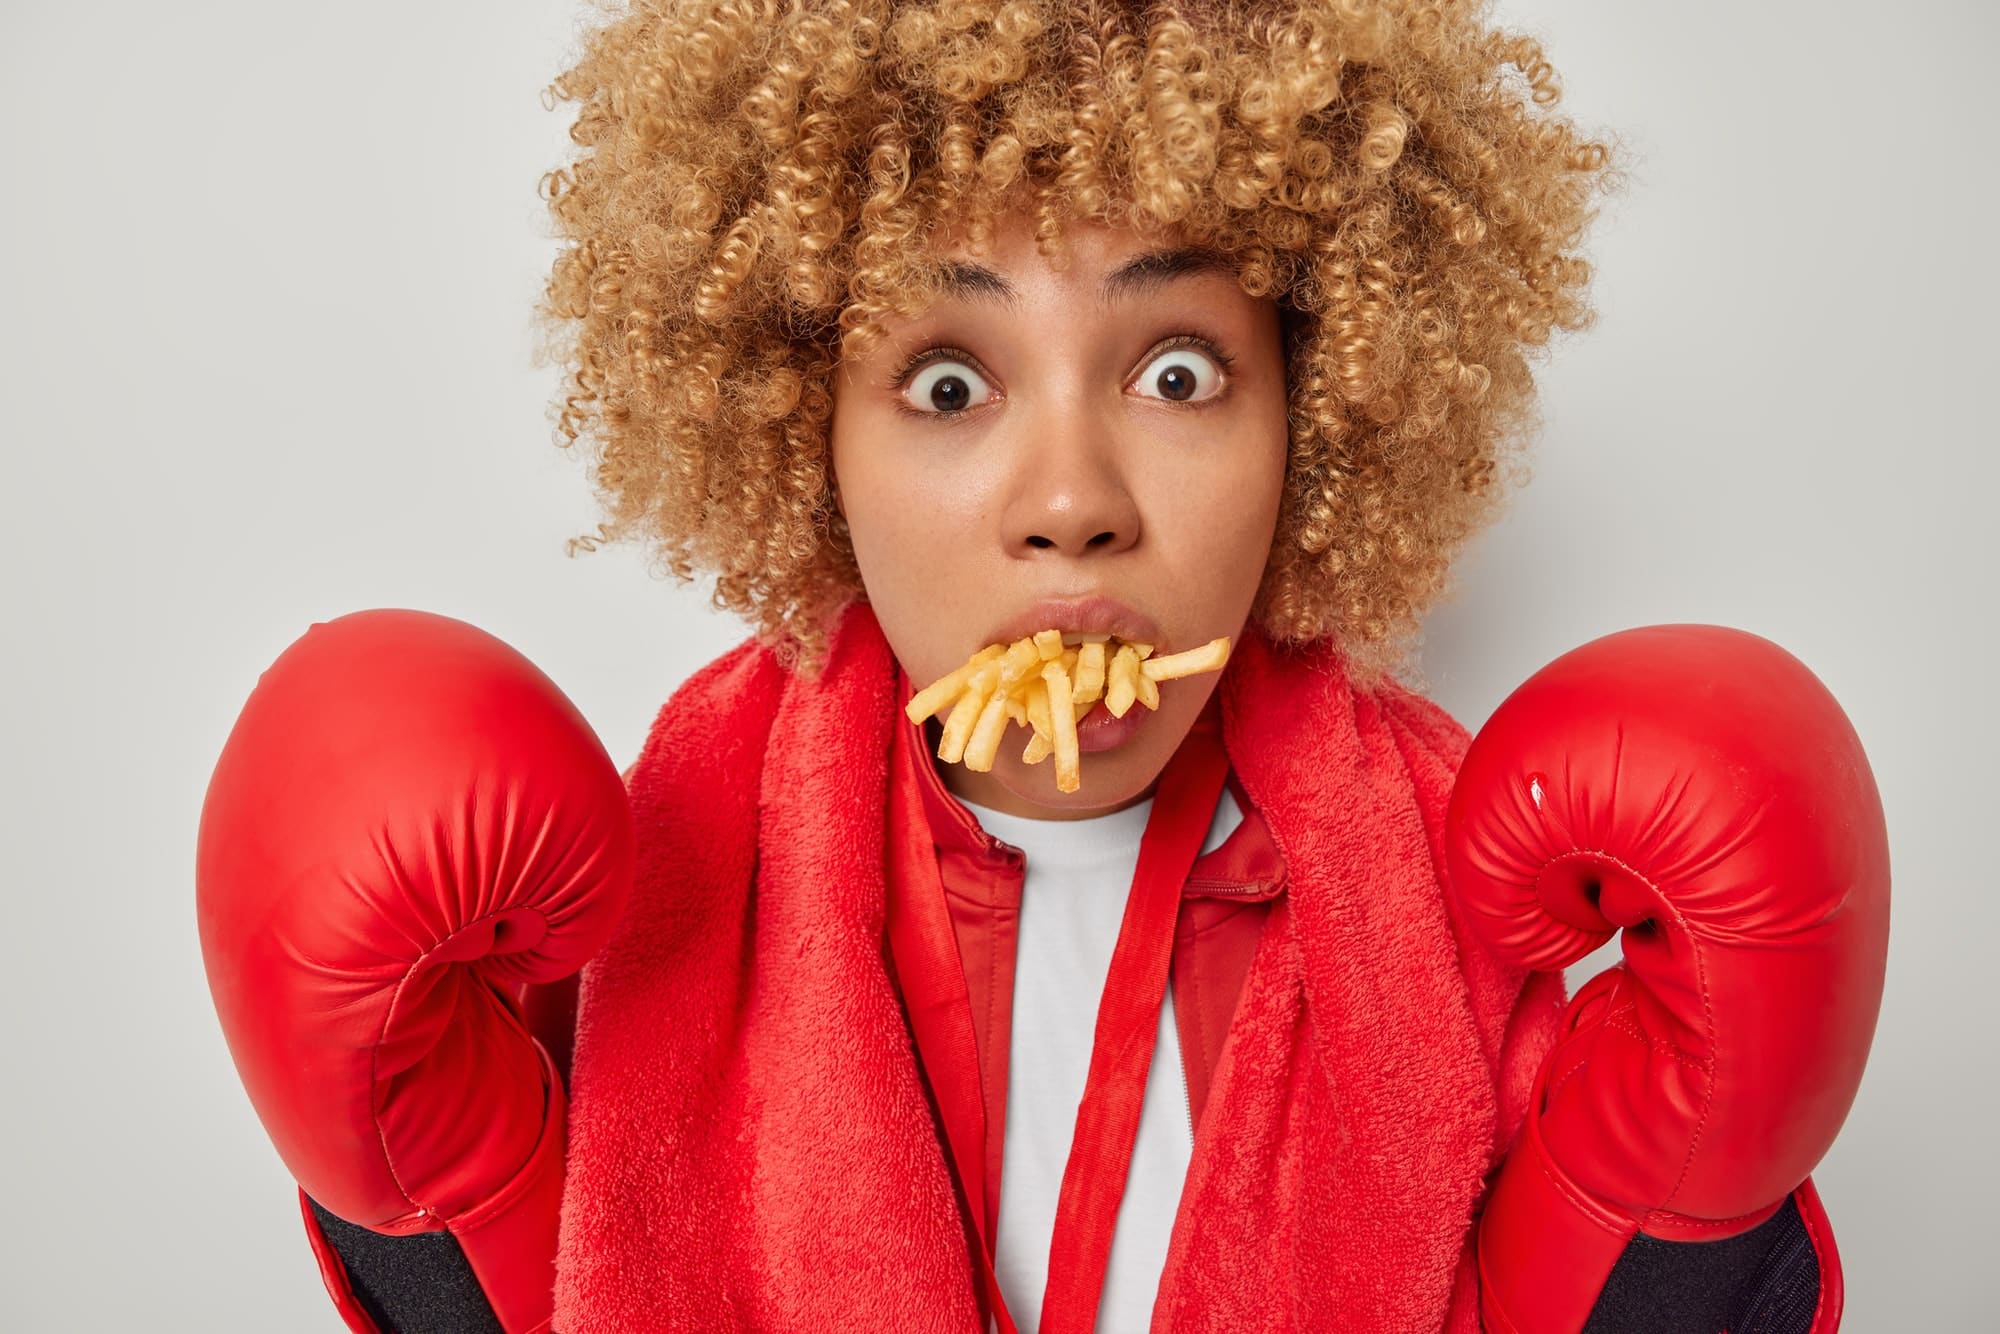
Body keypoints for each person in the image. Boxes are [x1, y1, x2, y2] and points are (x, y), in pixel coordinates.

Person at [196, 1, 1888, 1330]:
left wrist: (1698, 1193)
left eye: (1174, 371)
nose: (1073, 503)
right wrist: (400, 1182)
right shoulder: (655, 908)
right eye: (947, 381)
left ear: (1318, 408)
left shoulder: (1457, 916)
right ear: (805, 434)